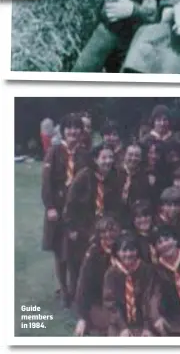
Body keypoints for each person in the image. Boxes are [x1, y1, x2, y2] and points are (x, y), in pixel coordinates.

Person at [41, 113, 89, 306]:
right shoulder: (54, 151)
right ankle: (64, 291)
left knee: (75, 250)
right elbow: (46, 181)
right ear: (63, 131)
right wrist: (50, 206)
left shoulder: (85, 154)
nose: (73, 132)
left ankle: (76, 288)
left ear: (81, 132)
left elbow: (88, 183)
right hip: (58, 208)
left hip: (76, 210)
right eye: (69, 128)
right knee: (58, 251)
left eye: (77, 128)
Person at [63, 143, 119, 298]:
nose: (108, 161)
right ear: (95, 159)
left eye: (111, 157)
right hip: (82, 226)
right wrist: (71, 228)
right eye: (104, 157)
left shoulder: (113, 177)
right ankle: (77, 298)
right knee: (79, 262)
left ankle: (99, 295)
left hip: (103, 227)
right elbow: (70, 204)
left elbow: (115, 205)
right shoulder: (84, 176)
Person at [103, 231, 160, 335]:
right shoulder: (111, 273)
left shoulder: (146, 270)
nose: (128, 254)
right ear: (117, 252)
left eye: (132, 250)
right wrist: (123, 327)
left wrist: (147, 327)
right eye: (124, 251)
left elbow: (150, 298)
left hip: (143, 321)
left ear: (137, 251)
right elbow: (110, 302)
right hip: (119, 322)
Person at [75, 215, 121, 336]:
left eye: (112, 230)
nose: (108, 235)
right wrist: (82, 318)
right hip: (100, 302)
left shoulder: (124, 249)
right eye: (104, 232)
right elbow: (83, 287)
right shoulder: (93, 255)